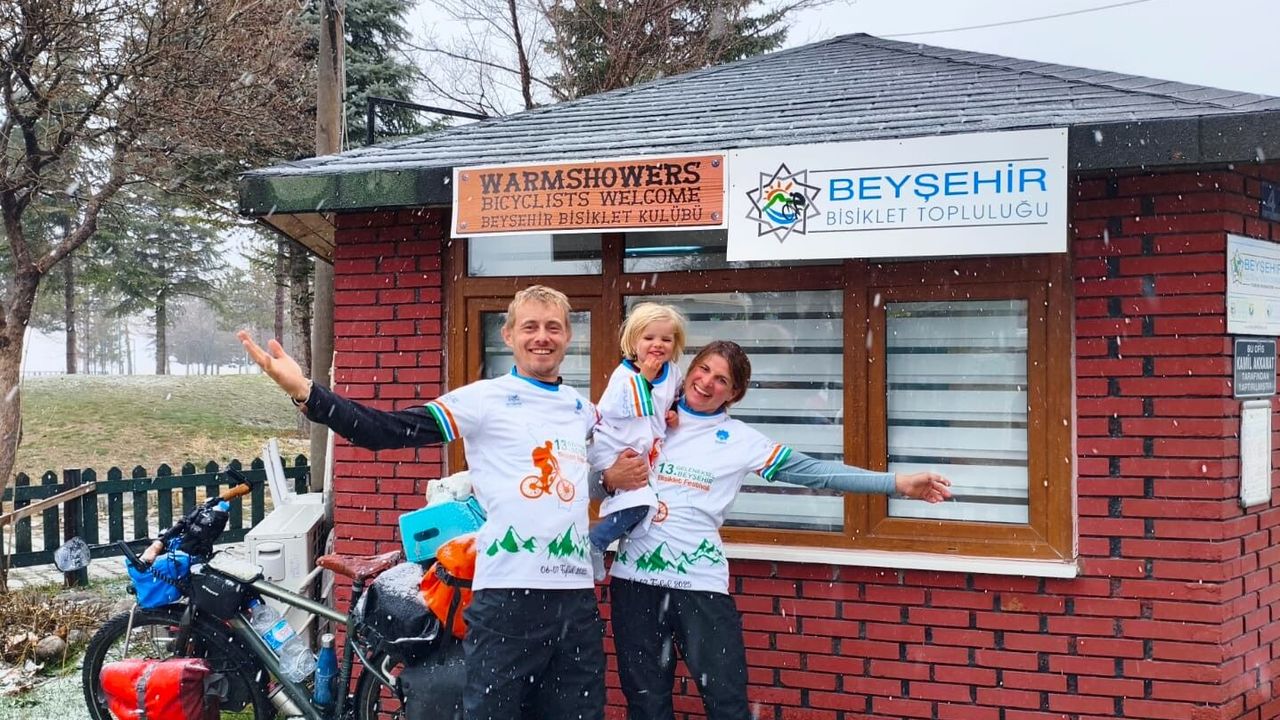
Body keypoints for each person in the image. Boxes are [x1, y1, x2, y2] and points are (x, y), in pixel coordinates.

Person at [237, 285, 604, 720]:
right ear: (508, 335)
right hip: (508, 596)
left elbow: (618, 456)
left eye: (553, 327)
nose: (542, 337)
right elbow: (385, 430)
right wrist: (307, 393)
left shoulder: (582, 410)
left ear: (568, 336)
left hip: (575, 601)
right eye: (530, 327)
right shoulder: (484, 399)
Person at [601, 340, 951, 720]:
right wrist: (608, 479)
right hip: (634, 584)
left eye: (722, 380)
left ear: (734, 394)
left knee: (727, 702)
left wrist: (897, 483)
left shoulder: (740, 440)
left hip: (699, 587)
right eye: (703, 369)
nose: (707, 382)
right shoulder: (647, 418)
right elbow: (595, 466)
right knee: (646, 704)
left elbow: (815, 473)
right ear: (690, 370)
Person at [588, 302, 687, 581]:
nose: (658, 345)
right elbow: (612, 409)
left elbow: (673, 399)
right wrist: (645, 378)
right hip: (615, 445)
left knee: (643, 504)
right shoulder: (625, 375)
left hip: (644, 450)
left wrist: (673, 413)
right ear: (633, 342)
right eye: (649, 338)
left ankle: (609, 538)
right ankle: (596, 540)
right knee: (640, 503)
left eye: (666, 339)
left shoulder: (674, 373)